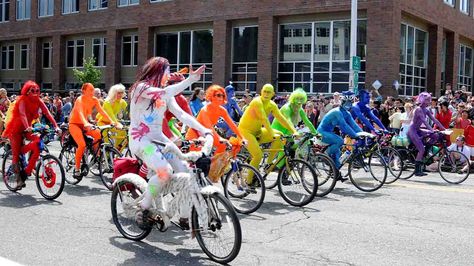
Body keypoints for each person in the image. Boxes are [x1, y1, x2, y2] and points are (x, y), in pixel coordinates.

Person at [128, 57, 212, 230]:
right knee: (164, 171)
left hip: (160, 139)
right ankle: (143, 206)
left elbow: (182, 115)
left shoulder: (165, 93)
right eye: (167, 71)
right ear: (158, 71)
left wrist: (205, 130)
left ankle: (183, 215)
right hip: (142, 140)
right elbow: (164, 94)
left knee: (186, 172)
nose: (168, 75)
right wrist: (190, 80)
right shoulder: (140, 88)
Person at [2, 81, 61, 189]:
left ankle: (29, 169)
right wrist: (27, 126)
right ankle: (19, 179)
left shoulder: (38, 100)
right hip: (17, 129)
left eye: (37, 91)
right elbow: (23, 114)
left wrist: (56, 126)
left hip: (28, 128)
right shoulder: (22, 100)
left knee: (38, 141)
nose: (35, 93)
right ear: (27, 91)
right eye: (32, 91)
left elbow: (47, 113)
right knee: (16, 155)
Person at [238, 84, 297, 184]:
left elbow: (281, 118)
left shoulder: (272, 105)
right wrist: (271, 133)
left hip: (257, 131)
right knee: (258, 155)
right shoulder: (257, 102)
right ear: (261, 91)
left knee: (280, 135)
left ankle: (268, 164)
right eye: (264, 91)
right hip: (245, 131)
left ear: (273, 94)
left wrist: (294, 131)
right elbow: (264, 119)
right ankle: (249, 182)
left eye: (268, 92)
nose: (266, 94)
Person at [69, 83, 121, 179]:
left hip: (85, 124)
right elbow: (80, 112)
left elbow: (102, 111)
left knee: (98, 134)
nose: (92, 92)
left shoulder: (94, 100)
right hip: (75, 124)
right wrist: (86, 122)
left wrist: (112, 121)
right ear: (83, 91)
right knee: (82, 144)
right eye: (90, 90)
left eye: (92, 90)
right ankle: (77, 169)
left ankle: (95, 154)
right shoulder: (79, 100)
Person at [185, 85, 245, 154]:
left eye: (222, 95)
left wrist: (242, 137)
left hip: (208, 135)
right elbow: (209, 127)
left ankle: (214, 163)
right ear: (211, 96)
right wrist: (220, 138)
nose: (220, 98)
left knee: (223, 146)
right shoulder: (205, 110)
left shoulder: (222, 110)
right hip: (195, 135)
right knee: (199, 160)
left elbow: (232, 124)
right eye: (218, 95)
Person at [317, 91, 368, 172]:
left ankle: (335, 172)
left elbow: (354, 125)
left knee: (337, 153)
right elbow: (344, 126)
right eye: (346, 103)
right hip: (322, 132)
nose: (348, 105)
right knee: (340, 140)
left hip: (329, 132)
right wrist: (355, 135)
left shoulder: (347, 113)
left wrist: (364, 134)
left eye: (350, 103)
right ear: (342, 102)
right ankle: (325, 155)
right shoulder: (337, 112)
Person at [271, 88, 317, 169]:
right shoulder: (287, 108)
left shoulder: (300, 109)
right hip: (278, 129)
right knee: (284, 148)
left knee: (292, 149)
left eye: (301, 100)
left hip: (288, 130)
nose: (299, 103)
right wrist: (295, 132)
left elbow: (307, 121)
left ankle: (286, 170)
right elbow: (288, 121)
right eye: (297, 99)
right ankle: (278, 166)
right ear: (293, 99)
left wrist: (315, 132)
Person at [407, 92, 446, 176]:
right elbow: (424, 121)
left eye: (429, 99)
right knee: (421, 149)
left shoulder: (426, 110)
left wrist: (444, 129)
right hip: (412, 130)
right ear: (423, 100)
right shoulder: (418, 109)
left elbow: (435, 120)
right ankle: (417, 171)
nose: (429, 101)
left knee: (435, 136)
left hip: (418, 129)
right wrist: (431, 130)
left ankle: (426, 150)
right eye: (427, 100)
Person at [96, 84, 128, 150]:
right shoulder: (108, 102)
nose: (120, 95)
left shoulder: (122, 102)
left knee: (123, 132)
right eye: (118, 93)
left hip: (112, 123)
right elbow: (111, 116)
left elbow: (128, 112)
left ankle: (116, 150)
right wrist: (117, 124)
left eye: (122, 93)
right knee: (106, 142)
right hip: (102, 122)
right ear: (114, 93)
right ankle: (107, 157)